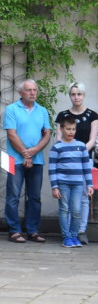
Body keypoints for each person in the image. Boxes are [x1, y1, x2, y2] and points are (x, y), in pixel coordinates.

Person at [4, 79, 51, 243]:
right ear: (21, 93)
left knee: (35, 197)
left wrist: (33, 152)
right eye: (29, 90)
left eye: (34, 90)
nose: (32, 93)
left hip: (37, 160)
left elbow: (47, 134)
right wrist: (26, 154)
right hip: (13, 159)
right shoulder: (11, 109)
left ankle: (33, 230)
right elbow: (11, 134)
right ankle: (14, 231)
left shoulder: (43, 111)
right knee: (12, 196)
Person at [55, 82, 97, 244]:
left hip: (84, 159)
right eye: (73, 94)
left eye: (79, 94)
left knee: (84, 197)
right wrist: (70, 152)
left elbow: (92, 140)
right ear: (70, 96)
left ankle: (80, 231)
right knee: (67, 198)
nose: (76, 97)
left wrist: (78, 152)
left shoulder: (93, 115)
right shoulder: (63, 116)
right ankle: (68, 232)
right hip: (66, 161)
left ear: (84, 95)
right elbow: (58, 140)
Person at [49, 115, 92, 248]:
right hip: (63, 183)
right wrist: (54, 187)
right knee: (64, 209)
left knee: (77, 210)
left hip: (78, 184)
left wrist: (89, 184)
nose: (71, 132)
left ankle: (74, 236)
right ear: (61, 129)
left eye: (73, 129)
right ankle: (66, 237)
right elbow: (52, 169)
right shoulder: (57, 147)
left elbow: (86, 168)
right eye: (68, 129)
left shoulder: (81, 146)